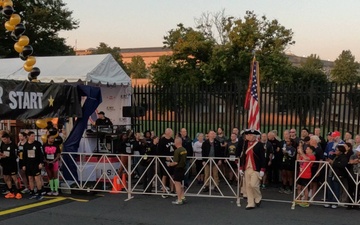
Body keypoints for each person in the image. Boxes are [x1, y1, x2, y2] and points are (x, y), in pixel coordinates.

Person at [239, 129, 266, 210]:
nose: (247, 136)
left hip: (256, 168)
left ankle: (258, 197)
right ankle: (250, 203)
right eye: (247, 135)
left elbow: (263, 158)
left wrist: (262, 169)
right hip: (247, 168)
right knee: (248, 186)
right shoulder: (245, 144)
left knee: (253, 185)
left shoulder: (259, 145)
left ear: (253, 136)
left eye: (249, 135)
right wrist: (241, 167)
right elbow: (243, 156)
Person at [23, 131, 45, 200]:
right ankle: (32, 192)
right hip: (29, 164)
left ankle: (39, 192)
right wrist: (24, 165)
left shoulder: (38, 144)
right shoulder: (25, 145)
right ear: (28, 137)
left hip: (36, 164)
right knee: (30, 178)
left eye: (34, 136)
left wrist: (41, 163)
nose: (33, 137)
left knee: (37, 178)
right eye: (32, 136)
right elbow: (24, 156)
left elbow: (41, 154)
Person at [0, 133, 22, 199]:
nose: (3, 141)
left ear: (8, 138)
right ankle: (10, 191)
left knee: (14, 178)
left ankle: (18, 192)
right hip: (5, 164)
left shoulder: (13, 145)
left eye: (4, 139)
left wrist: (6, 156)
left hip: (12, 164)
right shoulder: (2, 144)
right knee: (6, 178)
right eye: (2, 139)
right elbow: (1, 151)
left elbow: (16, 156)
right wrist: (1, 155)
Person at [167, 137, 187, 205]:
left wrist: (169, 164)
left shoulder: (177, 151)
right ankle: (182, 196)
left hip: (178, 168)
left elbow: (175, 162)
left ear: (176, 143)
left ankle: (179, 199)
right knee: (181, 184)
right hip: (183, 168)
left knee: (177, 184)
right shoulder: (184, 149)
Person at [157, 128, 175, 198]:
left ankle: (172, 190)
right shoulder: (162, 141)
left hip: (172, 160)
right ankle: (164, 191)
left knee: (172, 174)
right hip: (165, 161)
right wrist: (165, 157)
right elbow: (159, 152)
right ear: (167, 132)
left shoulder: (172, 140)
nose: (172, 133)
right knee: (165, 175)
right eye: (171, 132)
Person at [348, 145, 360, 209]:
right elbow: (351, 161)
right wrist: (356, 161)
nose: (358, 152)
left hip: (359, 175)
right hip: (352, 174)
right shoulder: (353, 155)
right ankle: (350, 203)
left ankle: (357, 204)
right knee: (351, 189)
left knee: (358, 190)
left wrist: (356, 161)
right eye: (357, 151)